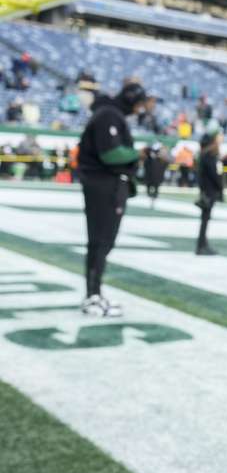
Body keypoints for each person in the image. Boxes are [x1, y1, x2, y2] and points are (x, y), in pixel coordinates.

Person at [77, 81, 150, 317]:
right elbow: (111, 154)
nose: (141, 109)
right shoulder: (109, 115)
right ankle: (93, 296)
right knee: (101, 240)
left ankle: (94, 294)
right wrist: (138, 153)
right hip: (105, 185)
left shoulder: (109, 113)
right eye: (139, 104)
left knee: (101, 241)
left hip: (105, 185)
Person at [195, 132, 224, 255]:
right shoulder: (209, 156)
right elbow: (215, 175)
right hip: (210, 191)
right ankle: (201, 245)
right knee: (205, 219)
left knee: (205, 219)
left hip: (206, 190)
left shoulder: (203, 155)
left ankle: (203, 244)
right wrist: (220, 187)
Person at [142, 143, 167, 208]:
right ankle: (150, 196)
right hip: (150, 175)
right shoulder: (149, 158)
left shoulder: (161, 159)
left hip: (157, 175)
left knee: (156, 187)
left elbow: (165, 164)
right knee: (149, 187)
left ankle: (154, 197)